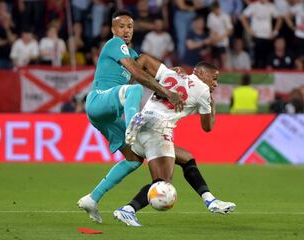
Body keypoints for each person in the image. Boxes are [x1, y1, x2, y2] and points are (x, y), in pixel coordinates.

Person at [77, 55, 236, 225]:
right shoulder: (203, 91)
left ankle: (210, 201)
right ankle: (128, 210)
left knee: (186, 158)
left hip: (142, 127)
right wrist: (212, 106)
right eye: (214, 78)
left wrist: (128, 85)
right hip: (159, 131)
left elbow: (144, 59)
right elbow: (207, 127)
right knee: (162, 183)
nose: (216, 84)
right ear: (202, 73)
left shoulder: (172, 73)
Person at [76, 10, 183, 223]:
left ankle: (92, 198)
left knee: (134, 159)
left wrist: (171, 73)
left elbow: (147, 69)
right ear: (114, 30)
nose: (126, 31)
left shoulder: (132, 54)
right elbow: (138, 75)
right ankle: (132, 124)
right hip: (98, 100)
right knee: (133, 91)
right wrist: (167, 92)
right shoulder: (115, 44)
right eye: (121, 26)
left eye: (130, 27)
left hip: (107, 114)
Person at [241, 0, 282, 68]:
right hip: (256, 36)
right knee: (256, 59)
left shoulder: (271, 6)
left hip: (267, 37)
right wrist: (249, 30)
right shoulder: (253, 6)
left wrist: (275, 32)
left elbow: (280, 18)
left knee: (266, 59)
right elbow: (243, 17)